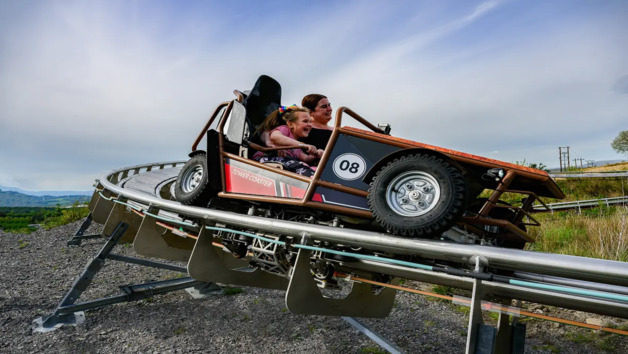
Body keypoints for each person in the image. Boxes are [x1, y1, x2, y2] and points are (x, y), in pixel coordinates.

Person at [253, 105, 323, 177]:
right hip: (266, 159)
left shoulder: (296, 145)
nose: (310, 125)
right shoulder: (285, 129)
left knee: (314, 170)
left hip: (283, 163)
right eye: (305, 121)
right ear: (290, 124)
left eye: (310, 122)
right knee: (302, 167)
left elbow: (306, 158)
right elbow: (275, 137)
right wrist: (302, 145)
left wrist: (316, 154)